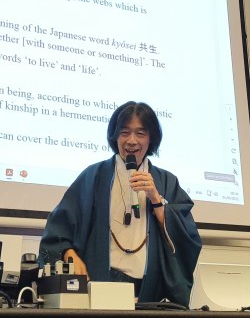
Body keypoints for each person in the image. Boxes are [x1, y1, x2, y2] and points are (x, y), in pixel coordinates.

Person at [39, 101, 201, 305]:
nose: (132, 141)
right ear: (115, 136)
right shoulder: (94, 176)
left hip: (149, 293)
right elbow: (58, 229)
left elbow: (187, 238)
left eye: (140, 133)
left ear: (151, 138)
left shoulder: (166, 182)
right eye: (124, 132)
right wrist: (70, 254)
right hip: (100, 287)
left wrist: (156, 199)